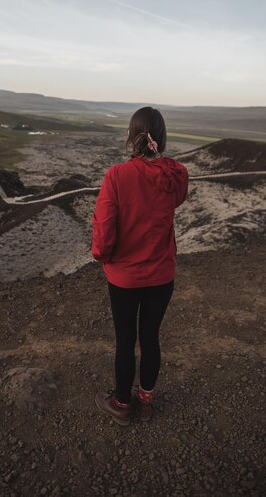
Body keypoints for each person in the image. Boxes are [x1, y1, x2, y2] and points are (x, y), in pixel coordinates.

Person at [92, 106, 188, 426]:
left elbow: (104, 231)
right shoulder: (175, 175)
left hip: (125, 278)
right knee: (150, 337)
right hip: (161, 275)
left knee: (125, 339)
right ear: (161, 138)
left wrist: (103, 257)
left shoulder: (117, 176)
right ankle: (145, 400)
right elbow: (172, 199)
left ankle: (121, 403)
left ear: (131, 137)